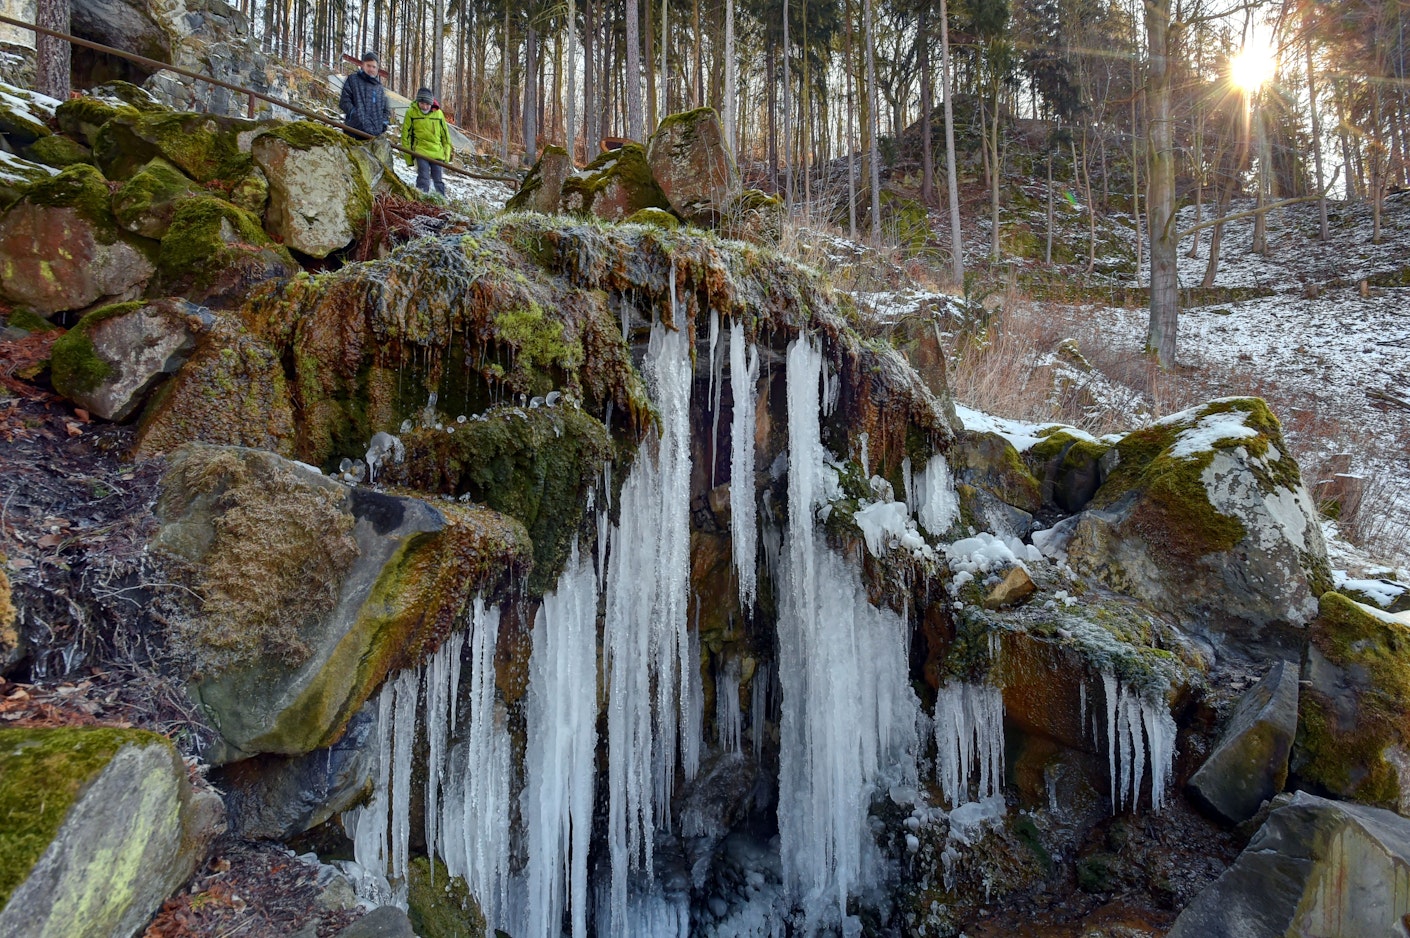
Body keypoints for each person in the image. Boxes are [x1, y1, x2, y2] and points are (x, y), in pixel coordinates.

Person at [401, 87, 453, 198]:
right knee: (423, 177)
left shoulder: (438, 114)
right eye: (422, 103)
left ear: (431, 103)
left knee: (438, 179)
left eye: (427, 104)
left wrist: (446, 156)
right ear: (418, 102)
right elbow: (406, 136)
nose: (424, 107)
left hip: (437, 152)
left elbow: (445, 137)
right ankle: (421, 200)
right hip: (421, 151)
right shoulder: (411, 112)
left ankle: (442, 201)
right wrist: (409, 157)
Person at [339, 52, 392, 143]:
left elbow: (386, 110)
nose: (371, 69)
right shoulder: (352, 80)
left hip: (374, 136)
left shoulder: (380, 88)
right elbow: (344, 101)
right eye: (369, 66)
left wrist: (383, 124)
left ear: (377, 69)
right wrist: (355, 115)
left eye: (374, 67)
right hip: (353, 131)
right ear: (363, 65)